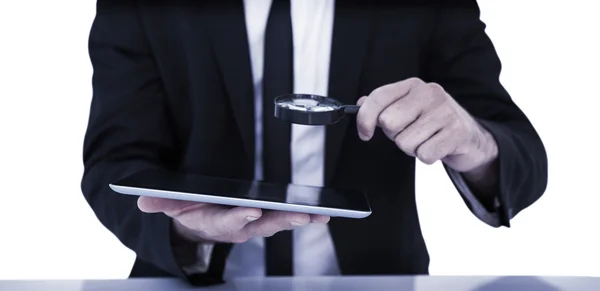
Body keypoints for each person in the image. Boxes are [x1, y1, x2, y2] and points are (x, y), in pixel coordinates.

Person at [81, 0, 548, 286]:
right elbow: (113, 164)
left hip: (375, 281)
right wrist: (187, 229)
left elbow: (522, 163)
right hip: (192, 281)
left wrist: (472, 140)